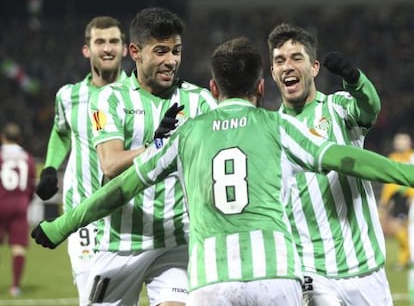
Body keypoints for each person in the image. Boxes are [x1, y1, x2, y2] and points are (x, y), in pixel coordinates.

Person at [31, 36, 414, 305]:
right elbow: (349, 159)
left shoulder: (186, 136)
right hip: (274, 274)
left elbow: (120, 188)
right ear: (262, 88)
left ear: (213, 89)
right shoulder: (278, 128)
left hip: (211, 280)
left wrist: (61, 226)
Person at [84, 7, 217, 306]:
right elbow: (110, 164)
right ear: (135, 51)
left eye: (176, 51)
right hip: (120, 244)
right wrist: (157, 146)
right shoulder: (108, 98)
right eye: (160, 51)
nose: (171, 60)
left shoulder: (200, 101)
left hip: (176, 243)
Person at [268, 23, 391, 305]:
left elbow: (369, 108)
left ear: (314, 68)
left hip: (366, 267)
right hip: (311, 271)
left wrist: (356, 80)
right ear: (273, 72)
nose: (287, 66)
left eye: (296, 58)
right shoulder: (270, 129)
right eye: (279, 61)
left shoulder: (339, 107)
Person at [34, 16, 128, 304]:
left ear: (126, 49)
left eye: (114, 41)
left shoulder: (139, 95)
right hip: (83, 215)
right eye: (100, 42)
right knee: (92, 299)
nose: (108, 48)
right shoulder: (69, 96)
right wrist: (51, 167)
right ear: (86, 49)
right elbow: (61, 131)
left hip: (130, 216)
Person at [0, 122, 36, 297]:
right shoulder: (28, 158)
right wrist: (25, 202)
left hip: (0, 202)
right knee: (18, 248)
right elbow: (32, 185)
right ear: (19, 138)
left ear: (3, 137)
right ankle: (15, 287)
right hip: (20, 205)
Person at [379, 132, 414, 270]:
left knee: (408, 228)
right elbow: (388, 183)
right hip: (397, 199)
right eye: (397, 140)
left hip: (408, 198)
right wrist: (384, 200)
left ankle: (406, 258)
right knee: (400, 228)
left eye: (402, 141)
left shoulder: (411, 156)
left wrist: (412, 195)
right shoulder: (392, 158)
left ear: (409, 142)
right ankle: (405, 258)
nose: (399, 143)